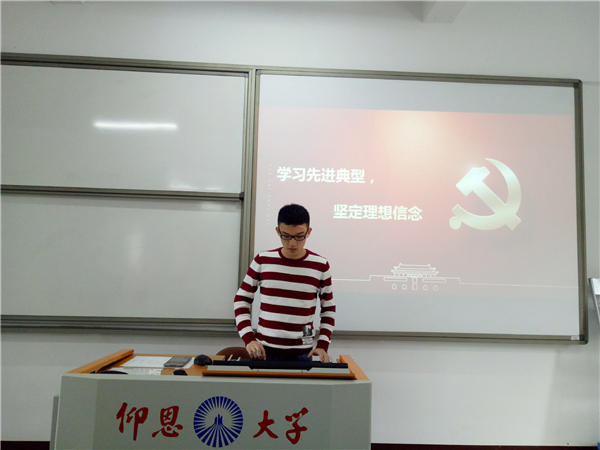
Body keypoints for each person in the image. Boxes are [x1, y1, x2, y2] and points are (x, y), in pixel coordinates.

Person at [234, 204, 335, 363]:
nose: (292, 243)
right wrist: (249, 338)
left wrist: (323, 345)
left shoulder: (320, 265)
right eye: (286, 236)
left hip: (303, 352)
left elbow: (328, 308)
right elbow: (241, 300)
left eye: (299, 236)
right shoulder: (263, 261)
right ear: (278, 231)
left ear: (309, 232)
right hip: (264, 351)